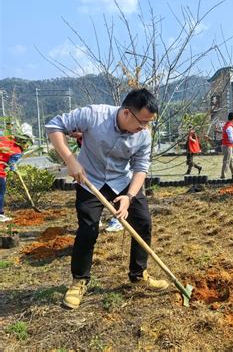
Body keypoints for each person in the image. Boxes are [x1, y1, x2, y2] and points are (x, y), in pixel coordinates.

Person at [46, 88, 169, 310]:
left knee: (143, 223)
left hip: (122, 181)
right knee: (88, 229)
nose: (144, 128)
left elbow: (141, 167)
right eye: (141, 122)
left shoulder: (143, 135)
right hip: (89, 180)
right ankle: (79, 281)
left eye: (148, 123)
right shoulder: (94, 115)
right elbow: (54, 126)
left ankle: (138, 274)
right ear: (126, 113)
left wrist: (129, 197)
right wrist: (71, 161)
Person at [69, 131, 124, 233]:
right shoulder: (84, 142)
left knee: (119, 197)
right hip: (93, 175)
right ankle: (95, 219)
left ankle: (118, 221)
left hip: (117, 174)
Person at [0, 131, 23, 222]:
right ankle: (0, 215)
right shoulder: (17, 151)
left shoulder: (6, 138)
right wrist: (15, 170)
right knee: (0, 193)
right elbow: (12, 165)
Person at [220, 112, 233, 179]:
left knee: (231, 160)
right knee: (227, 161)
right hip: (227, 146)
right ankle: (223, 175)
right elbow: (231, 138)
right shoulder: (229, 127)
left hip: (227, 146)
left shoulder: (227, 125)